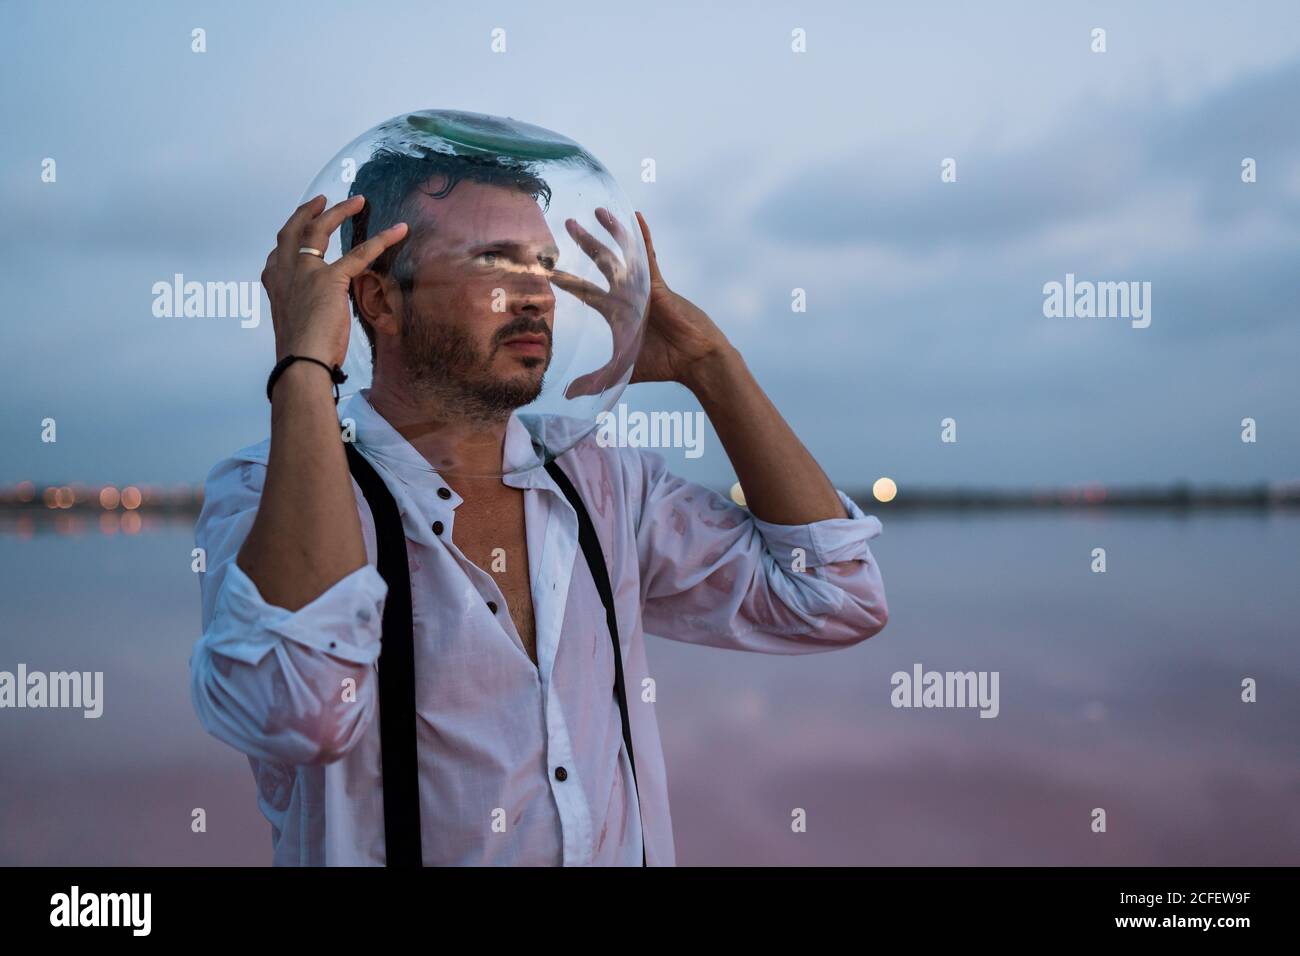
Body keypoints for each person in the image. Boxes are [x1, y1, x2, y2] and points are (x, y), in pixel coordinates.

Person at [189, 149, 889, 866]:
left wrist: (708, 363)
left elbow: (834, 595)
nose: (534, 295)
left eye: (544, 265)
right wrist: (305, 367)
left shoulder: (600, 485)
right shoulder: (269, 489)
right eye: (494, 262)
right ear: (378, 299)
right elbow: (291, 711)